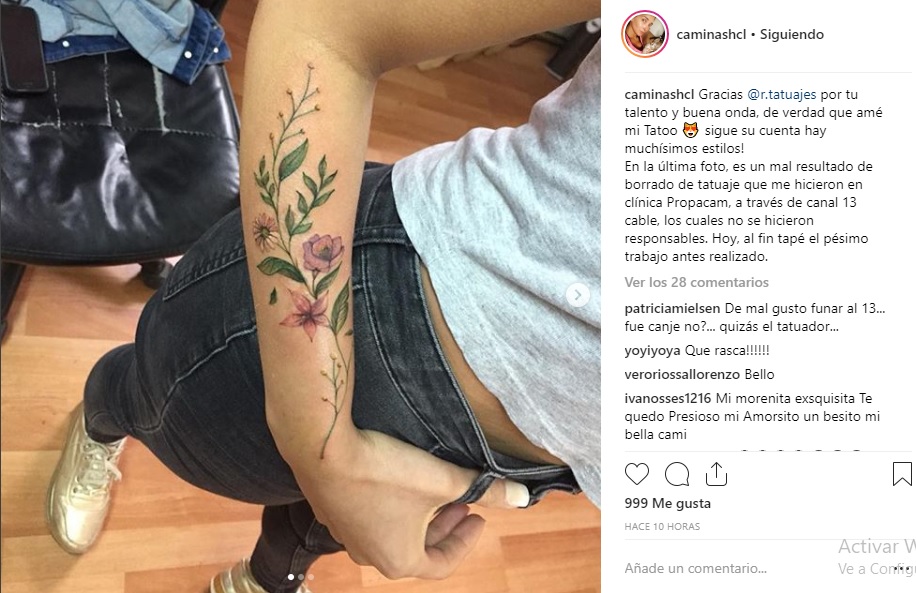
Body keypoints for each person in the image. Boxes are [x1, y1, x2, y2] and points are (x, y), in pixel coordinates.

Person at [45, 1, 601, 591]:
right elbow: (323, 22)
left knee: (316, 532)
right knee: (141, 394)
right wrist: (326, 451)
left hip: (526, 458)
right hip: (376, 313)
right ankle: (100, 424)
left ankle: (265, 581)